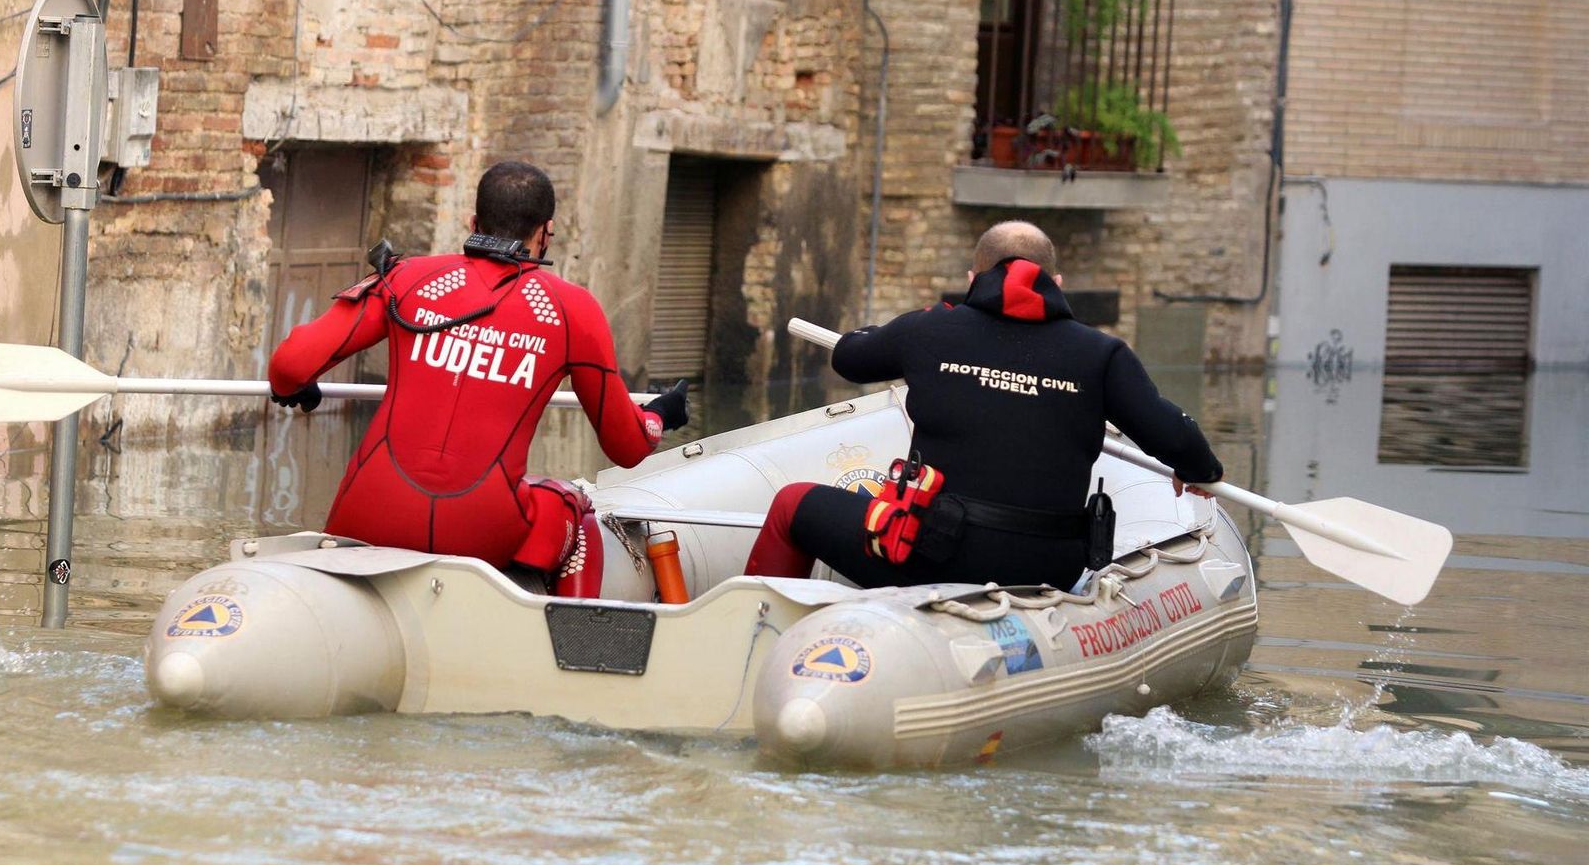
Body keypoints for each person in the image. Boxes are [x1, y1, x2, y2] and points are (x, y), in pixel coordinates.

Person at [267, 161, 688, 591]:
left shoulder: (407, 277)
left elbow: (288, 365)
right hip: (480, 533)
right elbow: (628, 446)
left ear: (473, 222)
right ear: (546, 232)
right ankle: (565, 641)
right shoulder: (572, 310)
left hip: (365, 513)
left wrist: (296, 388)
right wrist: (658, 415)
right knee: (572, 505)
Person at [744, 220, 1221, 591]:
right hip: (1049, 565)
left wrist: (889, 337)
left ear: (974, 279)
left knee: (792, 504)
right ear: (1055, 282)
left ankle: (751, 643)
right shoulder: (1101, 353)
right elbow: (1176, 434)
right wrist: (1199, 469)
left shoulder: (928, 329)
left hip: (932, 553)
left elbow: (850, 357)